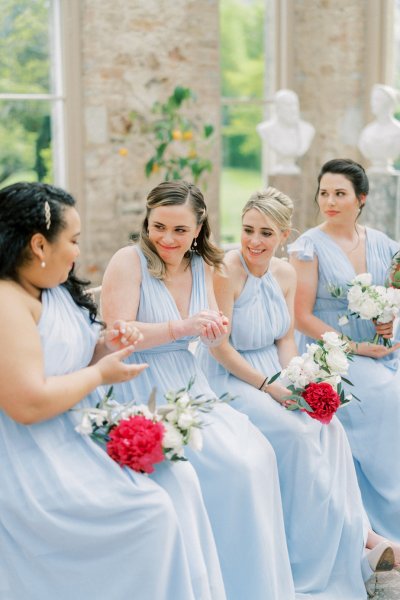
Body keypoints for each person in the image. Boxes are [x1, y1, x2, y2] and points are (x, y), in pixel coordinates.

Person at [0, 181, 226, 600]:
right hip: (35, 453)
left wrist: (109, 343)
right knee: (153, 514)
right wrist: (101, 374)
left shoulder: (53, 289)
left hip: (81, 430)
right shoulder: (8, 302)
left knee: (182, 480)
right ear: (38, 245)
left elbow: (77, 352)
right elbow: (28, 405)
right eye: (73, 240)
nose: (78, 252)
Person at [101, 180, 296, 600]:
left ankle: (251, 584)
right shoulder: (128, 261)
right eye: (158, 227)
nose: (166, 239)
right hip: (139, 382)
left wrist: (212, 331)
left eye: (179, 230)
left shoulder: (206, 266)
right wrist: (181, 327)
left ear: (198, 228)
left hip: (191, 382)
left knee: (258, 455)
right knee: (231, 468)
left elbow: (211, 338)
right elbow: (118, 336)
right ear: (146, 220)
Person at [196, 186, 394, 598]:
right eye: (248, 229)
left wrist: (303, 381)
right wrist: (270, 386)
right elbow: (220, 347)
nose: (254, 241)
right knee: (298, 436)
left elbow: (286, 340)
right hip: (233, 377)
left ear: (284, 236)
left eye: (265, 233)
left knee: (329, 428)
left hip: (274, 371)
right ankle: (331, 552)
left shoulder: (285, 274)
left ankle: (356, 539)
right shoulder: (226, 272)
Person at [289, 158, 400, 548]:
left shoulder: (385, 244)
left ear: (361, 199)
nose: (330, 202)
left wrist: (389, 325)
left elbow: (394, 300)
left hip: (382, 351)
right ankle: (386, 522)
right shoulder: (307, 247)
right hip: (333, 353)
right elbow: (301, 317)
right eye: (324, 193)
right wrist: (353, 346)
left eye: (340, 194)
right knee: (388, 397)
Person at [256, 89, 315, 175]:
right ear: (277, 108)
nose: (293, 109)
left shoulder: (308, 129)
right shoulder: (266, 129)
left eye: (295, 105)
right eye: (288, 105)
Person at [358, 84, 400, 173]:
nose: (373, 103)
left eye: (377, 99)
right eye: (372, 99)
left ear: (389, 103)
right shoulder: (367, 131)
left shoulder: (397, 130)